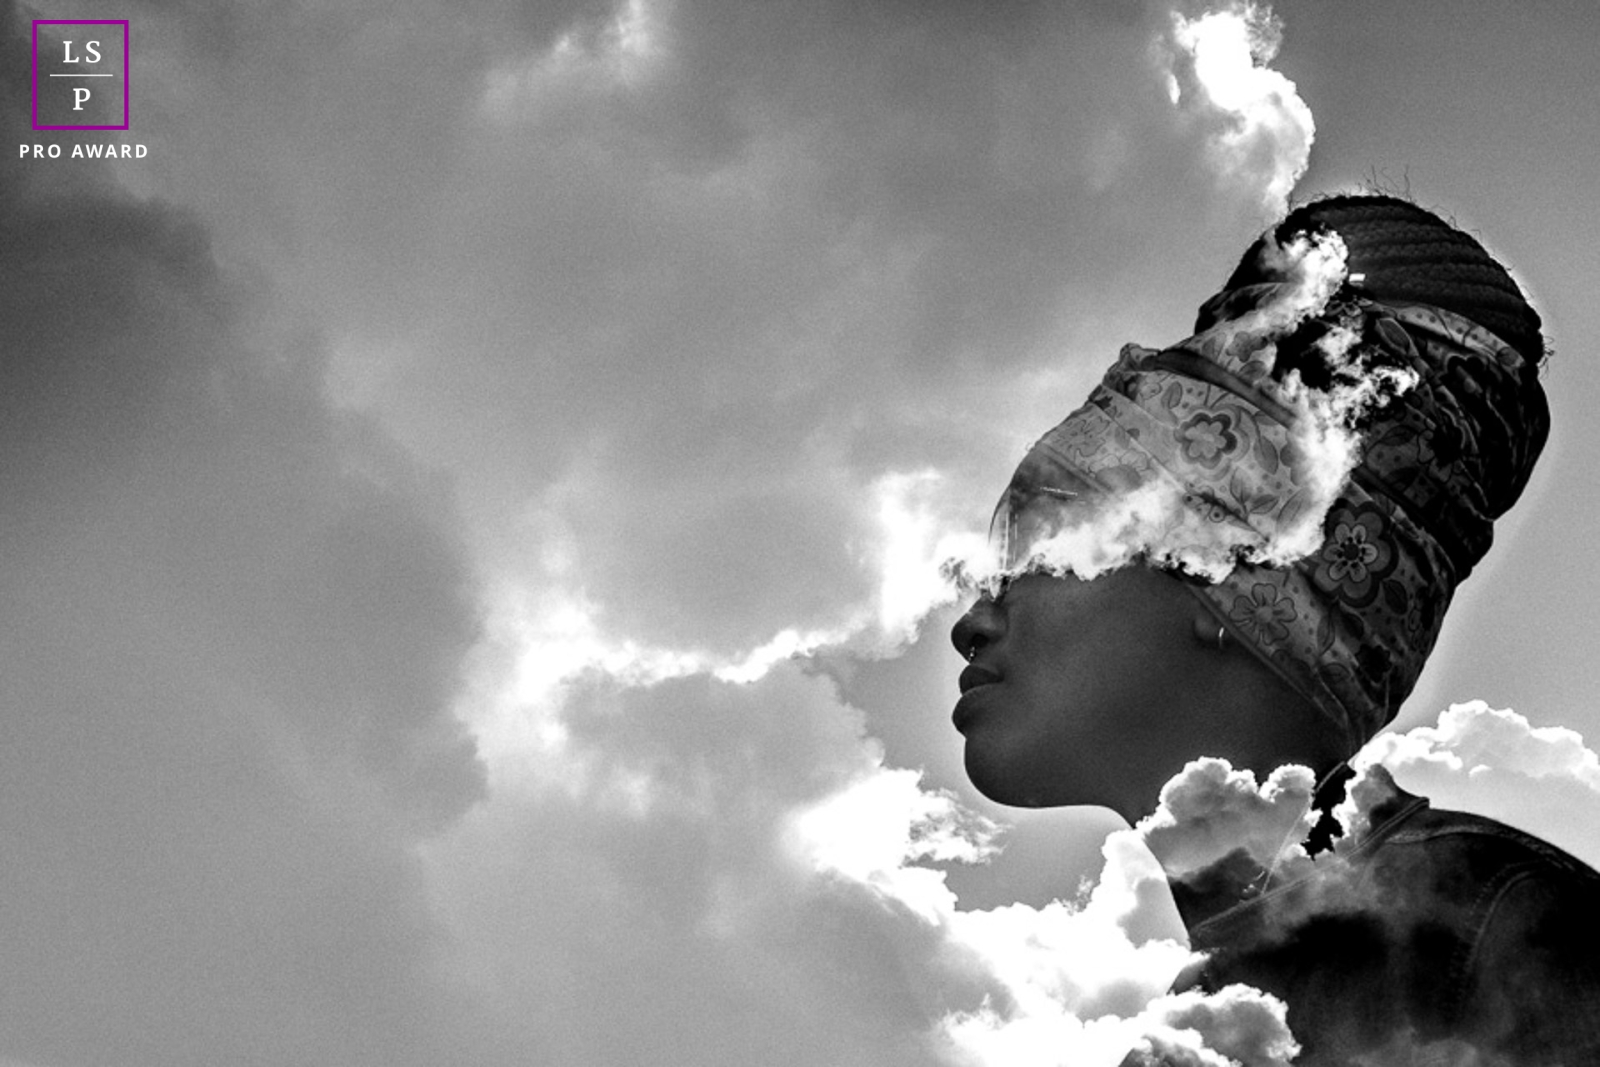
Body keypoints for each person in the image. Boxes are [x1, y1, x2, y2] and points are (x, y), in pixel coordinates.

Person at [949, 195, 1600, 1065]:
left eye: (1047, 542)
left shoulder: (1501, 930)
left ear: (1239, 569)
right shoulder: (1254, 986)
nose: (970, 620)